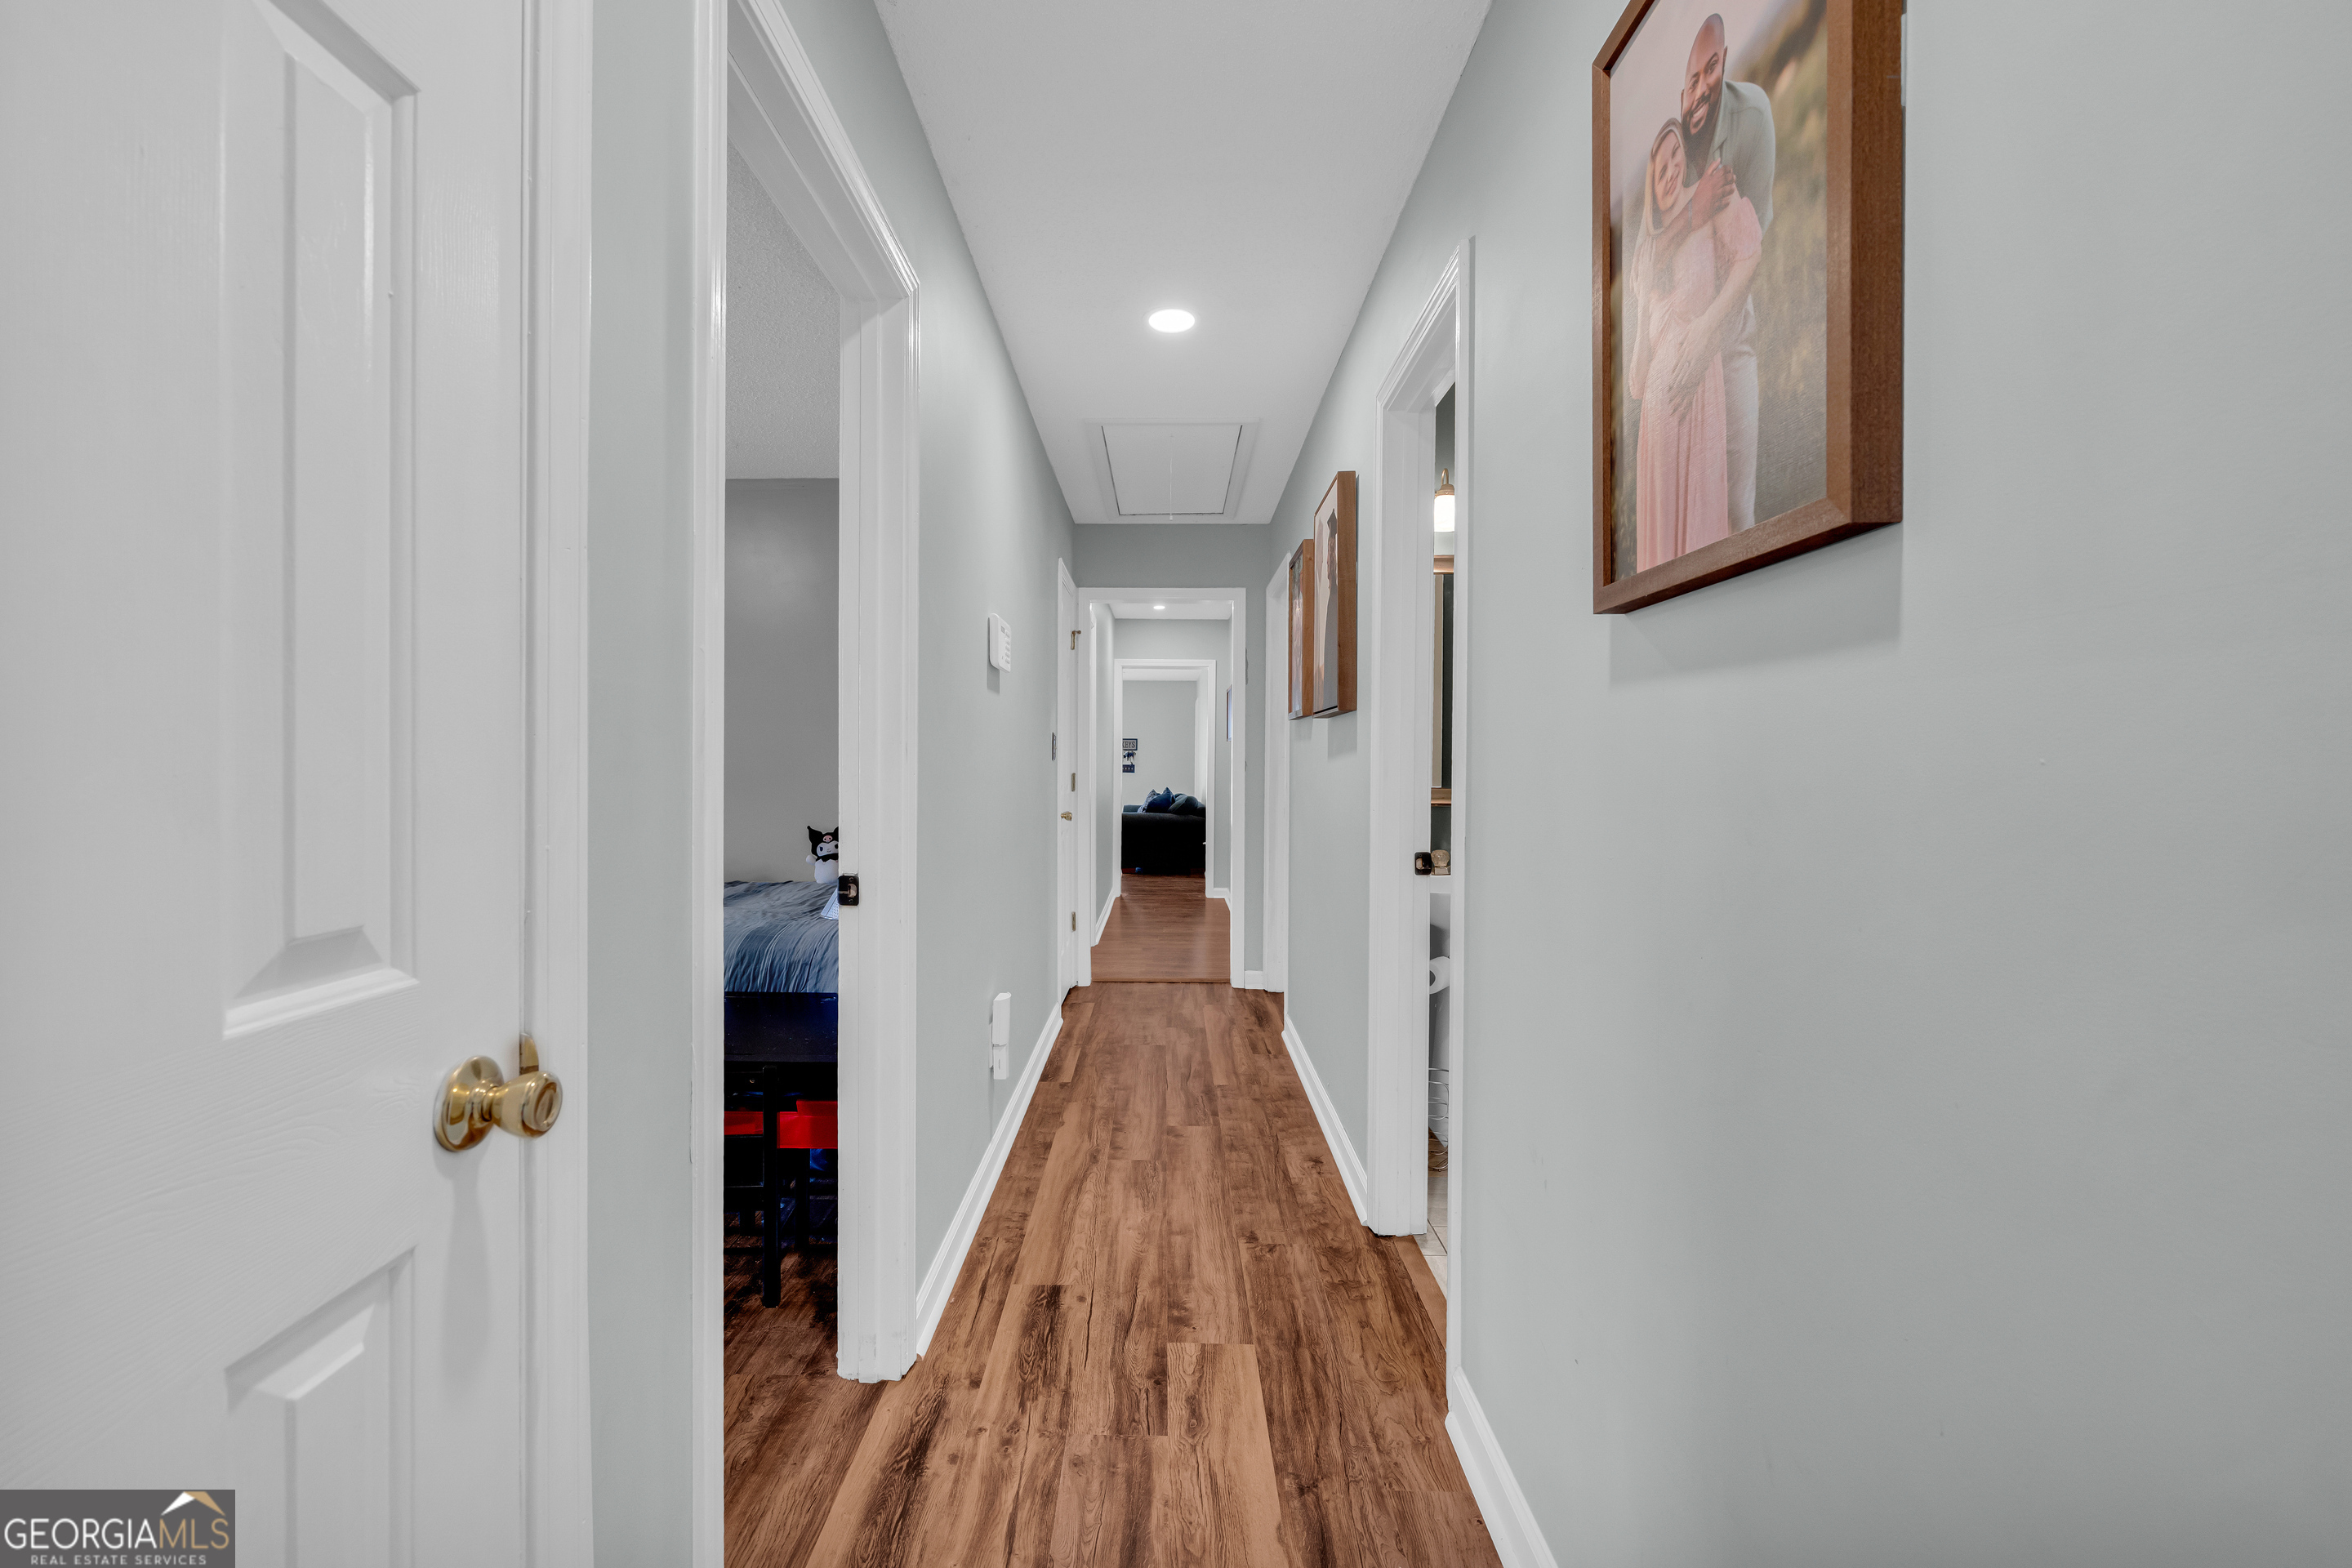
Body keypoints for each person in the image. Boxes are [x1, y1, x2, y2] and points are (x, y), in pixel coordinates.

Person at [1644, 13, 1776, 532]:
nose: (1702, 89)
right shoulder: (1666, 155)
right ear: (1679, 92)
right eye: (1691, 79)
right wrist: (1689, 219)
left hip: (1727, 335)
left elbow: (1751, 246)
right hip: (1671, 380)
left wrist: (1707, 335)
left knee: (1736, 512)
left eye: (1712, 70)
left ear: (1726, 65)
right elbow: (1647, 266)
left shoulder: (1751, 121)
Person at [1627, 119, 1762, 569]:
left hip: (1700, 398)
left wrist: (1707, 325)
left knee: (1709, 541)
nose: (1668, 171)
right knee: (1664, 559)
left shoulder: (1709, 200)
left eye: (1674, 157)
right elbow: (1636, 384)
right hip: (1656, 430)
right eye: (1659, 165)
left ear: (1685, 158)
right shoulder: (1646, 255)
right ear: (1649, 182)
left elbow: (1749, 253)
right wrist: (1645, 307)